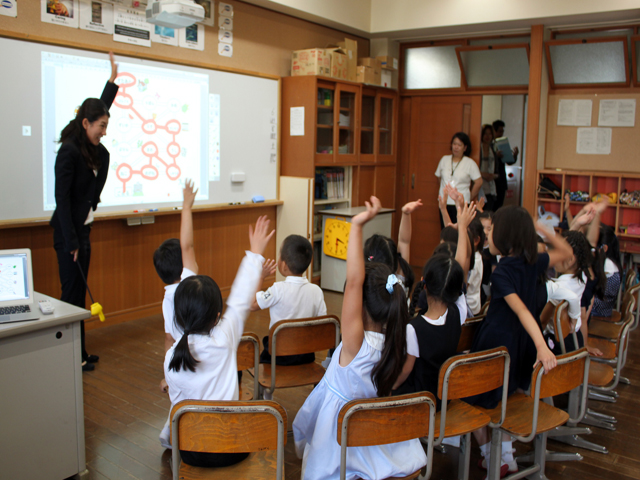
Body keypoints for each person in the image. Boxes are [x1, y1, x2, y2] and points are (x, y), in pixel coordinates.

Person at [293, 197, 426, 480]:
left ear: (359, 307)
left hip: (340, 431)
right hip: (373, 425)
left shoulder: (357, 346)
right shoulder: (397, 340)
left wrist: (356, 226)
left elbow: (354, 281)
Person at [162, 215, 274, 467]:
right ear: (217, 317)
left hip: (190, 451)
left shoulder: (171, 358)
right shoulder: (224, 338)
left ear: (177, 317)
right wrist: (255, 253)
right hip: (231, 447)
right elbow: (240, 299)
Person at [467, 206, 571, 476]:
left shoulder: (501, 272)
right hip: (520, 344)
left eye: (491, 230)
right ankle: (507, 458)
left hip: (497, 345)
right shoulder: (532, 262)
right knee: (508, 397)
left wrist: (542, 347)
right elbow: (566, 252)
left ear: (506, 237)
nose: (488, 234)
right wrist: (543, 229)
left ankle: (492, 456)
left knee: (471, 398)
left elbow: (522, 310)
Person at [50, 52, 119, 372]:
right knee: (71, 295)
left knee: (79, 295)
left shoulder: (93, 149)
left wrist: (111, 84)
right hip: (68, 234)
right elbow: (61, 200)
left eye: (106, 125)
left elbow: (99, 110)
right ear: (85, 124)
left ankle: (79, 350)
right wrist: (72, 242)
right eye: (100, 126)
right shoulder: (68, 152)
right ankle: (69, 355)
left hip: (83, 231)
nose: (104, 131)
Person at [393, 202, 476, 406]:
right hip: (441, 398)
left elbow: (405, 370)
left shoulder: (414, 328)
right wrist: (463, 228)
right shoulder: (458, 313)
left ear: (425, 285)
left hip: (420, 402)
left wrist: (389, 387)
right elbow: (460, 266)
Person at [251, 234, 327, 370]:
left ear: (284, 265)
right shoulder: (316, 291)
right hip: (306, 354)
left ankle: (269, 385)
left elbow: (252, 305)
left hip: (278, 355)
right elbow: (322, 324)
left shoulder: (278, 289)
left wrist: (261, 277)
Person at [154, 180, 199, 398]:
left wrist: (168, 376)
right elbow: (187, 245)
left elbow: (169, 339)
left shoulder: (166, 299)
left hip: (182, 373)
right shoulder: (190, 282)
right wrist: (186, 207)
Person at [434, 132, 483, 228]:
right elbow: (439, 177)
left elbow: (479, 182)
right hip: (444, 202)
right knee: (446, 229)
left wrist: (470, 196)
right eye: (454, 144)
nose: (456, 147)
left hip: (461, 203)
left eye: (459, 145)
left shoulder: (469, 163)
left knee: (460, 230)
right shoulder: (444, 159)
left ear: (465, 147)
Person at [491, 120, 519, 211]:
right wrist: (496, 155)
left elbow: (509, 161)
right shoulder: (489, 145)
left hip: (501, 180)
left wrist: (514, 155)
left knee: (499, 205)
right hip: (492, 179)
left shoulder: (503, 143)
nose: (501, 134)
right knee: (491, 206)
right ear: (494, 131)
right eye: (499, 131)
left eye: (502, 131)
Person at [479, 124, 499, 212]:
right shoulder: (478, 149)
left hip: (490, 188)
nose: (487, 136)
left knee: (489, 213)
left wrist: (492, 176)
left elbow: (498, 172)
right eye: (485, 134)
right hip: (479, 186)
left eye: (490, 134)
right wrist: (483, 174)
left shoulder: (493, 151)